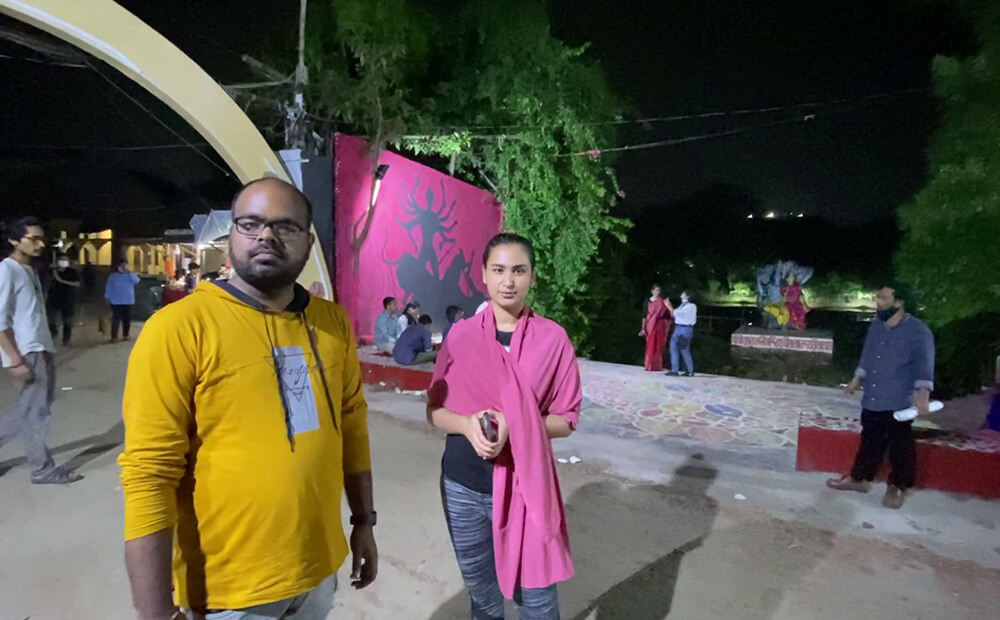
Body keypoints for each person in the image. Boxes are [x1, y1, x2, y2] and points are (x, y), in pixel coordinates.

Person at [119, 177, 377, 620]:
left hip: (317, 574)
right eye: (251, 224)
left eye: (285, 227)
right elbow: (149, 475)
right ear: (232, 234)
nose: (266, 237)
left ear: (308, 241)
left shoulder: (332, 323)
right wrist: (155, 613)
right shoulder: (180, 328)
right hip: (228, 594)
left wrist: (363, 522)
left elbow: (351, 422)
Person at [427, 232, 582, 619]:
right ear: (484, 275)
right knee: (484, 601)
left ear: (532, 276)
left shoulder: (553, 339)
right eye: (498, 270)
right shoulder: (461, 336)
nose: (508, 281)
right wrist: (466, 423)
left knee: (538, 603)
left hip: (525, 486)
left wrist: (515, 424)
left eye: (518, 270)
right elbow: (434, 411)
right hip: (463, 485)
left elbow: (566, 419)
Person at [827, 285, 935, 509]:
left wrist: (923, 394)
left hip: (899, 399)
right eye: (878, 297)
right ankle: (860, 479)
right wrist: (857, 380)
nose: (879, 302)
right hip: (874, 395)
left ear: (899, 302)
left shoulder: (918, 331)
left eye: (884, 298)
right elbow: (867, 356)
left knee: (900, 445)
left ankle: (897, 485)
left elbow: (924, 365)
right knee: (870, 439)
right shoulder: (876, 327)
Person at [0, 217, 83, 485]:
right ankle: (42, 468)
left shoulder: (30, 270)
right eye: (32, 239)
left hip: (39, 348)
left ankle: (41, 465)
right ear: (14, 240)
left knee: (29, 409)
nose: (38, 244)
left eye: (41, 239)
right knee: (36, 412)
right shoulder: (8, 270)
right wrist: (14, 359)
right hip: (26, 352)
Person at [48, 253, 80, 346]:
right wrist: (51, 270)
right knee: (50, 319)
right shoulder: (53, 271)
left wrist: (62, 281)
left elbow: (77, 284)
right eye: (61, 259)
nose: (63, 262)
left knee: (67, 321)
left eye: (65, 260)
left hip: (68, 300)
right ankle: (53, 333)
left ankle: (66, 340)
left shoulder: (72, 272)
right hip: (53, 299)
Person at [105, 259, 140, 343]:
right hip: (116, 301)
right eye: (122, 265)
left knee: (126, 319)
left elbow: (136, 281)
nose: (123, 267)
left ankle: (126, 334)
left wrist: (129, 273)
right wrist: (107, 297)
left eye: (125, 265)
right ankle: (114, 336)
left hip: (128, 300)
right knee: (116, 319)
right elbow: (109, 288)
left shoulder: (130, 275)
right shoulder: (113, 277)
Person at [640, 284, 672, 372]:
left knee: (658, 345)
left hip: (659, 325)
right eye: (656, 290)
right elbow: (644, 314)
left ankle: (657, 365)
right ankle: (648, 365)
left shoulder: (662, 302)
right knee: (650, 345)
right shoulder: (647, 301)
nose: (657, 292)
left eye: (658, 290)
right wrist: (643, 327)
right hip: (650, 325)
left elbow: (668, 315)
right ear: (652, 291)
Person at [667, 291, 697, 377]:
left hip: (685, 328)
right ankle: (674, 369)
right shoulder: (682, 306)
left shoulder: (691, 306)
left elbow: (679, 313)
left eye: (683, 294)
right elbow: (675, 314)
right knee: (673, 347)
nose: (681, 296)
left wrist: (669, 306)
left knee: (684, 348)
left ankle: (689, 370)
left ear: (688, 296)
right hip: (678, 327)